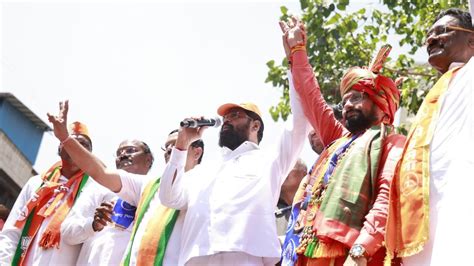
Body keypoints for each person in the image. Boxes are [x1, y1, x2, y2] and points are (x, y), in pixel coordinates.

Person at [279, 17, 406, 266]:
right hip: (304, 252)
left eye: (358, 97)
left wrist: (360, 251)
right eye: (345, 99)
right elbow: (311, 97)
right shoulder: (338, 141)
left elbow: (386, 199)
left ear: (382, 106)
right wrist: (297, 52)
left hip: (355, 257)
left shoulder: (393, 143)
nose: (348, 104)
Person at [158, 92, 310, 263]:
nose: (227, 120)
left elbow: (299, 123)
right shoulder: (202, 171)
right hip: (197, 259)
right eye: (225, 117)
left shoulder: (270, 160)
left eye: (235, 115)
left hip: (244, 258)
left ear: (255, 126)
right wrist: (182, 144)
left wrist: (295, 68)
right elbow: (168, 197)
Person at [46, 103, 204, 265]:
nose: (173, 149)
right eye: (168, 146)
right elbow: (101, 171)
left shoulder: (205, 188)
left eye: (179, 144)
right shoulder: (148, 186)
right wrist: (65, 138)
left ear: (197, 152)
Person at [385, 7, 474, 265]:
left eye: (444, 31)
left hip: (460, 214)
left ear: (472, 39)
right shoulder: (438, 92)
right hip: (420, 227)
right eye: (429, 35)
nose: (432, 39)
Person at [0, 122, 94, 265]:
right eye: (71, 141)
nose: (76, 147)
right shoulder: (37, 183)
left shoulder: (93, 190)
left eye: (83, 144)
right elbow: (12, 231)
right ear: (60, 147)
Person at [61, 139, 154, 265]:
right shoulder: (97, 187)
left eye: (131, 150)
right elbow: (67, 233)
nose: (123, 155)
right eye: (119, 152)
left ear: (148, 159)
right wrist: (93, 225)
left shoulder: (157, 194)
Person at [276, 159, 307, 239]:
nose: (282, 172)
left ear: (304, 174)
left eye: (288, 167)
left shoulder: (315, 204)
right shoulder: (268, 210)